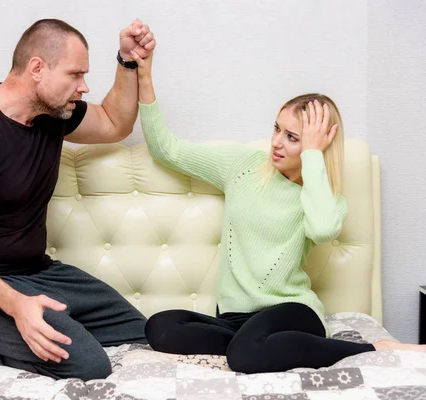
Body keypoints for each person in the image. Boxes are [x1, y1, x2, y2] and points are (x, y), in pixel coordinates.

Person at [128, 49, 426, 374]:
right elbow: (165, 148)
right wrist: (144, 74)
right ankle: (260, 345)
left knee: (243, 357)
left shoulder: (323, 198)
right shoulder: (242, 166)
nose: (276, 143)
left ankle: (370, 348)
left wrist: (313, 156)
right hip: (233, 318)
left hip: (292, 312)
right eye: (277, 129)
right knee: (160, 327)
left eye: (293, 137)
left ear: (316, 147)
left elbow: (324, 229)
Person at [0, 19, 156, 381]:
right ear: (37, 68)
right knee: (90, 365)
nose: (84, 86)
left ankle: (45, 326)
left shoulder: (52, 113)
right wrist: (17, 306)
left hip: (37, 273)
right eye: (75, 74)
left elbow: (114, 123)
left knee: (141, 332)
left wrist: (127, 60)